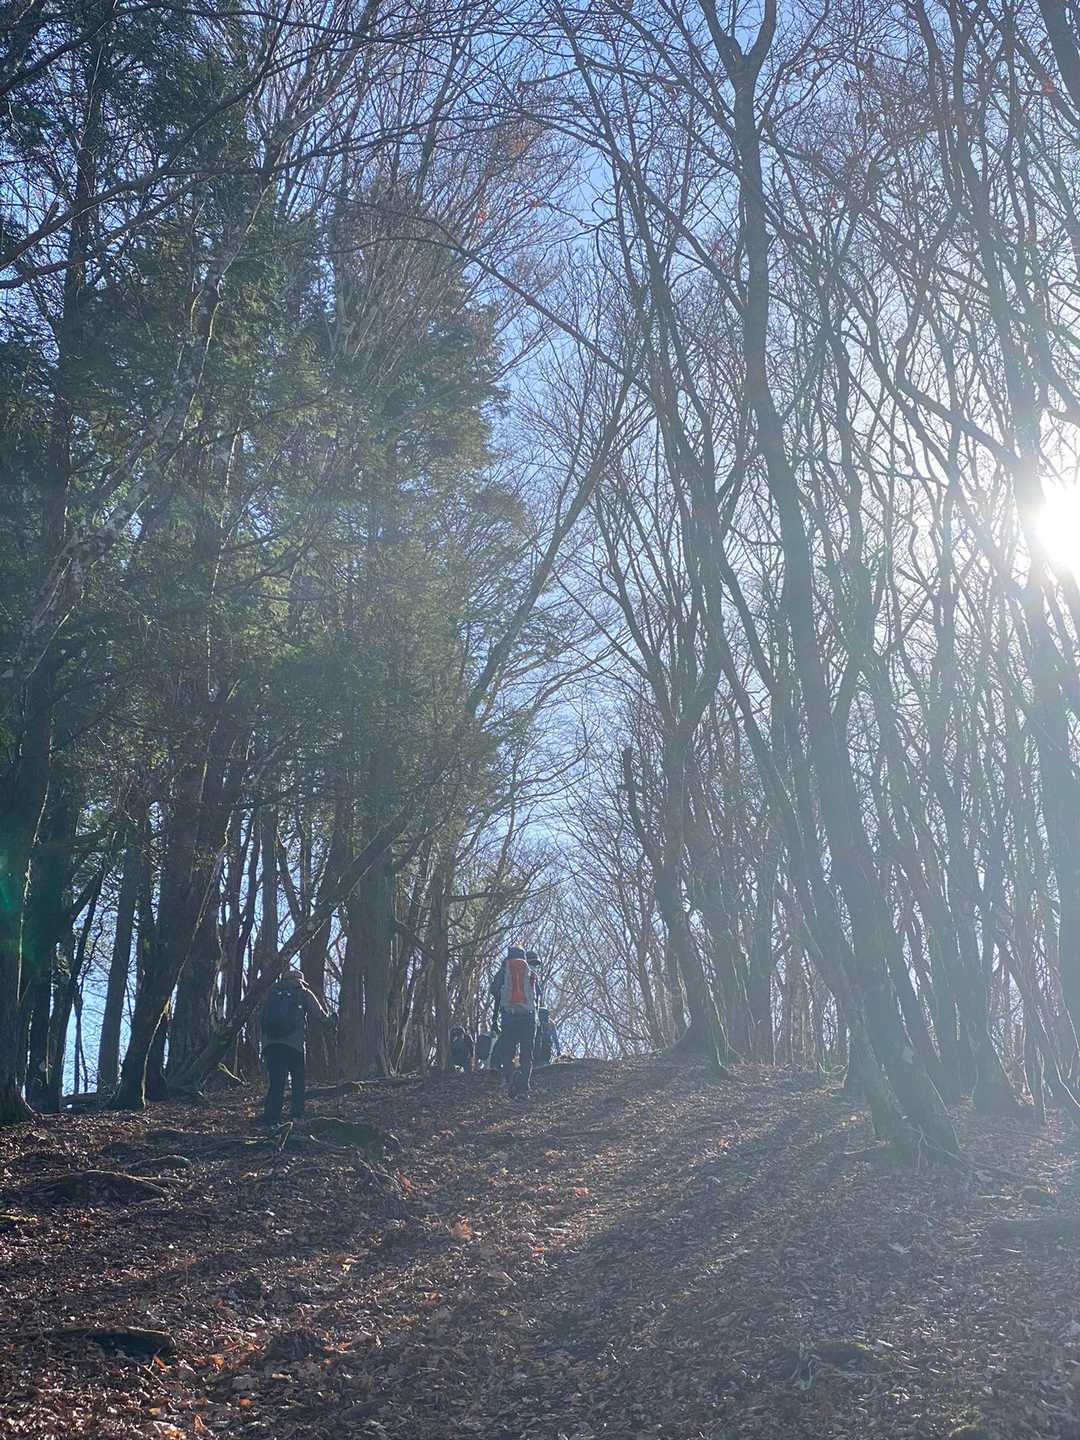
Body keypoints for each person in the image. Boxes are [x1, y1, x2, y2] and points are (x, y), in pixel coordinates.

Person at [260, 969, 333, 1125]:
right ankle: (296, 1116)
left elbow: (262, 1017)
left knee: (276, 1082)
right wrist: (330, 1023)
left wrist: (265, 1043)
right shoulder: (302, 992)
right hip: (294, 1045)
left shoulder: (272, 992)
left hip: (271, 1044)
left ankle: (271, 1118)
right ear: (300, 980)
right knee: (298, 1080)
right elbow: (318, 1014)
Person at [489, 945, 539, 1102]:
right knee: (526, 1055)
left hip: (509, 1018)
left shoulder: (504, 971)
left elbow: (494, 990)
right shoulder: (530, 971)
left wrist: (496, 1016)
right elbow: (537, 995)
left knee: (507, 1053)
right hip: (528, 1019)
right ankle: (523, 1089)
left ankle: (510, 1079)